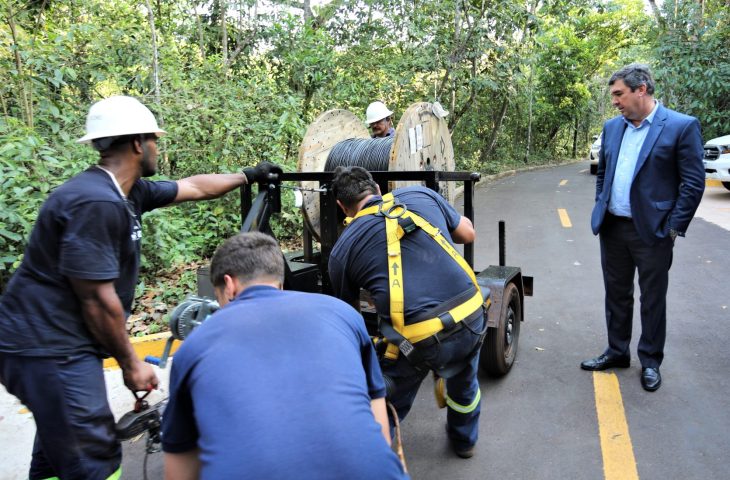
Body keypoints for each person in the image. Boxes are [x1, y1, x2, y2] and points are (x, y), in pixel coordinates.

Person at [0, 95, 278, 480]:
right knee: (95, 459)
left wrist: (248, 175)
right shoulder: (94, 202)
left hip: (49, 345)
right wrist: (131, 363)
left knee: (57, 452)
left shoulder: (128, 192)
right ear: (137, 143)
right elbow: (98, 299)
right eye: (154, 140)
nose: (157, 148)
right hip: (49, 348)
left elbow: (194, 187)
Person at [161, 232, 407, 480]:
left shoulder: (195, 346)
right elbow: (382, 434)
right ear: (278, 282)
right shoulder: (342, 313)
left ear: (230, 285)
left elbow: (179, 473)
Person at [328, 166, 485, 458]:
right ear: (376, 187)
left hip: (416, 343)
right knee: (465, 381)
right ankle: (464, 442)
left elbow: (350, 323)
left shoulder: (343, 249)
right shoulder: (420, 194)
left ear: (341, 207)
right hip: (472, 315)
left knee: (386, 402)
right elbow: (467, 233)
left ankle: (375, 460)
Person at [581, 64, 705, 392]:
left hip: (654, 232)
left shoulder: (680, 126)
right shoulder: (612, 128)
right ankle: (617, 351)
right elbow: (603, 174)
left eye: (619, 94)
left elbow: (693, 183)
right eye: (613, 96)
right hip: (613, 228)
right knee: (617, 295)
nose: (615, 102)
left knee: (652, 298)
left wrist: (674, 228)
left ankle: (650, 361)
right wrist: (601, 205)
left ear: (642, 89)